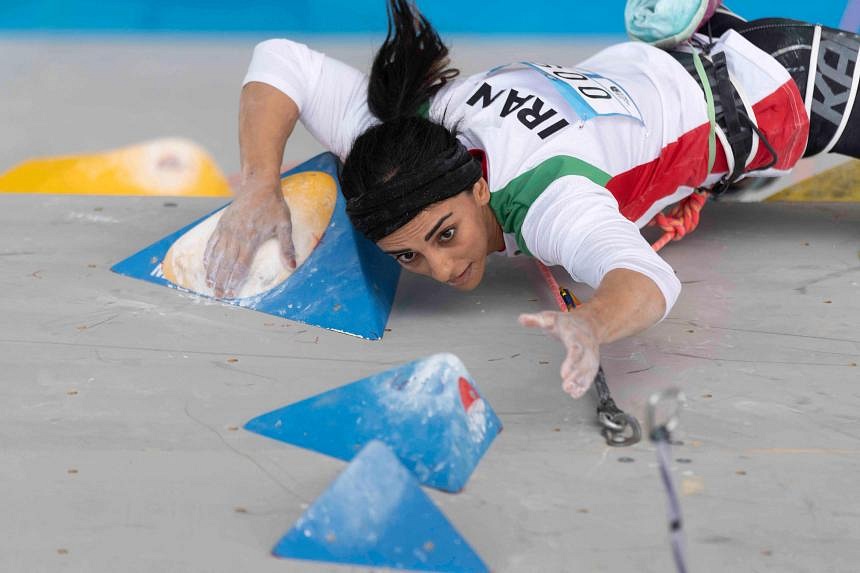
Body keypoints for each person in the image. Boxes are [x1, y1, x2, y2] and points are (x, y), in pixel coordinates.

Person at [203, 0, 860, 399]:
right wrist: (259, 183)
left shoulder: (551, 203)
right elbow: (282, 60)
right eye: (406, 257)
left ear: (480, 187)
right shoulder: (399, 139)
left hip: (784, 90)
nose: (441, 269)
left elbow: (650, 280)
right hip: (678, 65)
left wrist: (593, 322)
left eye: (444, 235)